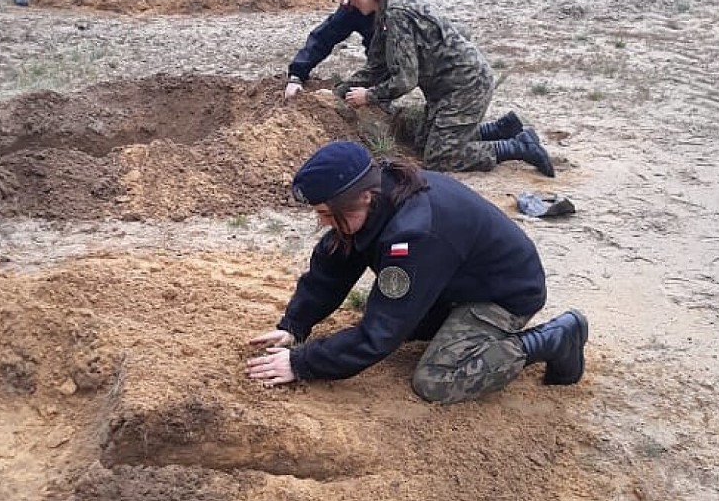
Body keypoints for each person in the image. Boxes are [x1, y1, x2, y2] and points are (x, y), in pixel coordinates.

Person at [247, 140, 588, 404]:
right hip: (454, 281)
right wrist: (294, 326)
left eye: (325, 213)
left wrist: (301, 363)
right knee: (395, 317)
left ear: (363, 197)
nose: (322, 222)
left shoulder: (412, 235)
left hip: (504, 295)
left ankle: (554, 338)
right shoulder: (381, 192)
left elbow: (377, 337)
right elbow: (333, 265)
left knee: (437, 380)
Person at [338, 0, 554, 176]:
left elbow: (405, 80)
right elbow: (375, 67)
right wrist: (338, 93)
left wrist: (370, 96)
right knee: (424, 144)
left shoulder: (397, 14)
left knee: (439, 159)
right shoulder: (387, 12)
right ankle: (499, 129)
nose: (348, 4)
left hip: (466, 86)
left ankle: (516, 147)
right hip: (446, 90)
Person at [283, 0, 413, 100]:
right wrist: (296, 75)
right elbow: (323, 37)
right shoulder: (353, 9)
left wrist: (370, 95)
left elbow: (408, 72)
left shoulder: (401, 2)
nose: (347, 1)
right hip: (378, 66)